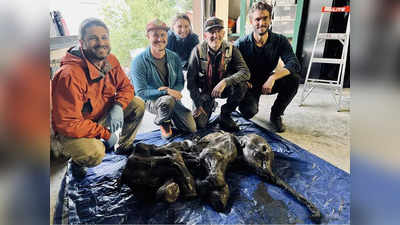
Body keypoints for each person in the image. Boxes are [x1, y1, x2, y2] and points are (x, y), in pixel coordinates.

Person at [51, 18, 145, 178]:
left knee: (137, 105)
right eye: (93, 38)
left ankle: (124, 146)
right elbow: (67, 123)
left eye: (104, 37)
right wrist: (105, 134)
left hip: (98, 114)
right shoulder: (69, 75)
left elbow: (126, 87)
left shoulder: (110, 60)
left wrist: (118, 106)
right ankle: (76, 160)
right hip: (72, 127)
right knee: (94, 152)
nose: (101, 42)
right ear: (82, 42)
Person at [234, 1, 301, 132]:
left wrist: (274, 77)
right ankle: (245, 102)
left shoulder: (280, 40)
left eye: (265, 18)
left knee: (293, 79)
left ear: (270, 19)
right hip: (249, 84)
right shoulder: (240, 44)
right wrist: (242, 80)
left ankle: (276, 114)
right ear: (251, 21)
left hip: (267, 81)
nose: (261, 23)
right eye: (257, 19)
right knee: (248, 112)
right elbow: (230, 67)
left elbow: (294, 63)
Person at [130, 18, 197, 139]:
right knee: (167, 101)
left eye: (163, 35)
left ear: (167, 35)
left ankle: (169, 113)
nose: (160, 39)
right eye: (155, 35)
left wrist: (173, 92)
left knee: (191, 128)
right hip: (151, 100)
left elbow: (180, 82)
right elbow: (141, 92)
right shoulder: (138, 61)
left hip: (171, 98)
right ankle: (163, 121)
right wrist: (166, 91)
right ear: (148, 37)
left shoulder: (174, 57)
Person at [187, 17, 250, 131]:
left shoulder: (231, 49)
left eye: (218, 32)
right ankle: (209, 104)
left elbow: (245, 72)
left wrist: (225, 82)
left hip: (224, 88)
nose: (215, 36)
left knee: (242, 84)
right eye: (211, 32)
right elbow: (191, 82)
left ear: (224, 33)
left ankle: (225, 114)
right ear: (205, 35)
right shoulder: (197, 51)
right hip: (205, 91)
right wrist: (197, 103)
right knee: (199, 125)